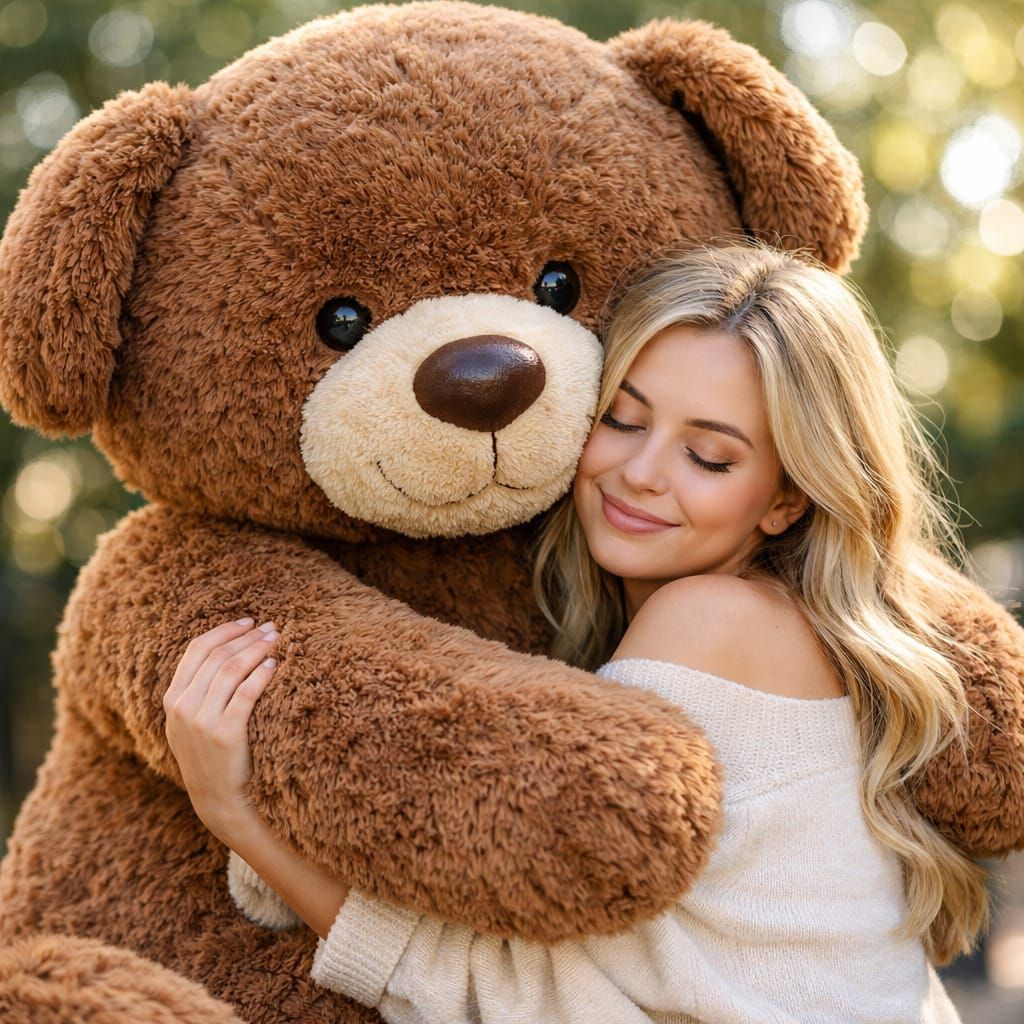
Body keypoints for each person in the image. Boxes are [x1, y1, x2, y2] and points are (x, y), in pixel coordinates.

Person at [164, 243, 986, 1022]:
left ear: (786, 500)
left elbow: (527, 1002)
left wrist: (237, 813)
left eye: (708, 456)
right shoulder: (776, 628)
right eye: (623, 419)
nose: (641, 473)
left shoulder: (713, 621)